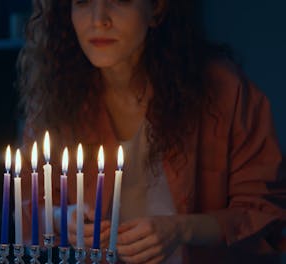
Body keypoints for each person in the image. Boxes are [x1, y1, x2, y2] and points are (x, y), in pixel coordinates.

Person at [17, 0, 286, 263]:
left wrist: (181, 229)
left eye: (120, 0)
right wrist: (62, 218)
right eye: (83, 2)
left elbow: (263, 212)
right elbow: (26, 208)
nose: (98, 19)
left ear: (157, 7)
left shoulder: (223, 91)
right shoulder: (57, 104)